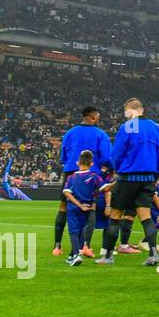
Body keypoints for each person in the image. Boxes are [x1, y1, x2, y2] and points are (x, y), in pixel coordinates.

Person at [98, 98, 159, 266]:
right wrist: (155, 174)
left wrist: (117, 170)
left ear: (130, 110)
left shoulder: (129, 126)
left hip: (128, 177)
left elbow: (117, 154)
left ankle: (108, 256)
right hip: (148, 178)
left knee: (115, 215)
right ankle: (153, 254)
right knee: (146, 217)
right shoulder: (155, 127)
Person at [56, 107, 110, 257]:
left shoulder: (70, 132)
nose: (98, 119)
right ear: (93, 117)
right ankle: (85, 246)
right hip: (91, 174)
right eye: (97, 117)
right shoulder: (100, 134)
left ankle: (57, 246)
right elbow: (106, 156)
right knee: (90, 206)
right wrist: (109, 169)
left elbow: (63, 155)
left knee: (63, 207)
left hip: (70, 171)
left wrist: (71, 165)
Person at [61, 150, 108, 266]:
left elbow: (67, 193)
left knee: (73, 231)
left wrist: (78, 205)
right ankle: (72, 255)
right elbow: (106, 189)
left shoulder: (71, 177)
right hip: (88, 208)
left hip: (74, 207)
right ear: (91, 163)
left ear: (78, 163)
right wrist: (119, 181)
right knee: (81, 231)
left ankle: (76, 255)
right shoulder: (94, 176)